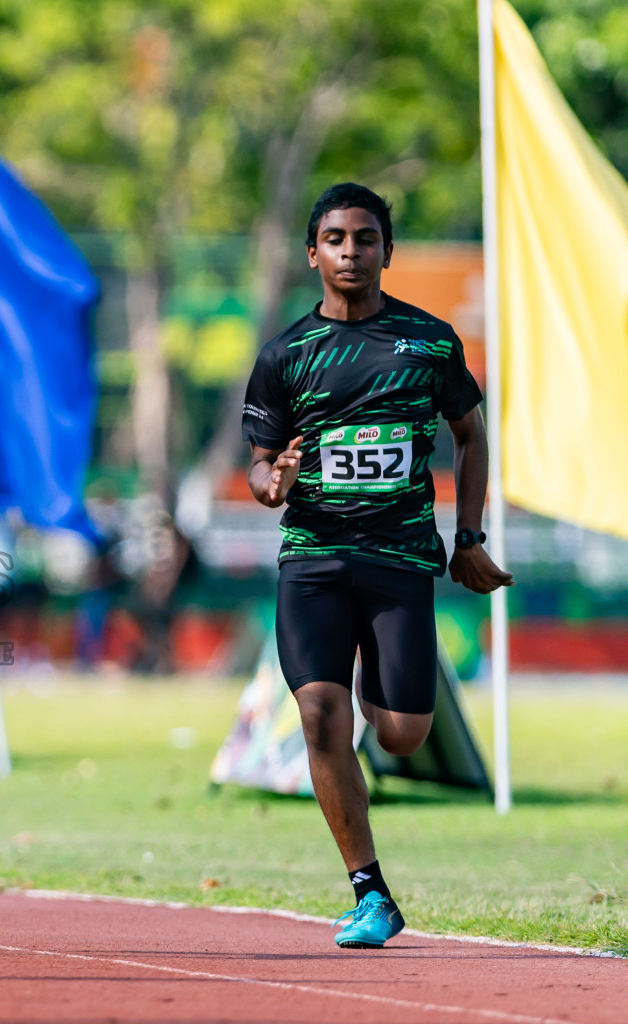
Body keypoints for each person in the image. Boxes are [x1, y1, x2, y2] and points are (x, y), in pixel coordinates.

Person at [241, 183, 512, 949]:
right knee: (321, 717)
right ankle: (371, 892)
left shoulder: (428, 343)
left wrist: (466, 537)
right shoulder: (286, 355)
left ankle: (372, 668)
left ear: (386, 252)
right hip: (314, 559)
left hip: (398, 563)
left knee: (399, 734)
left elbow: (471, 434)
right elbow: (262, 471)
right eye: (335, 239)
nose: (350, 252)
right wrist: (276, 484)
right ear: (312, 253)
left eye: (365, 239)